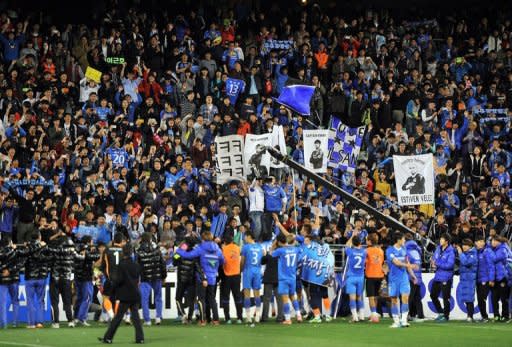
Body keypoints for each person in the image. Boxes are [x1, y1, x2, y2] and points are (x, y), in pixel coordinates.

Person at [176, 231, 224, 325]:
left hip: (202, 277)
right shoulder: (217, 249)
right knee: (212, 299)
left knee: (201, 299)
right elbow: (223, 261)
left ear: (203, 239)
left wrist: (179, 250)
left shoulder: (201, 248)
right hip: (213, 277)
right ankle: (216, 320)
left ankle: (202, 320)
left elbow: (187, 255)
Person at [99, 244, 144, 344]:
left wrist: (112, 288)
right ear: (131, 252)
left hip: (125, 295)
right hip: (135, 294)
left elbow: (119, 279)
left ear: (123, 252)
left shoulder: (121, 264)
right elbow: (138, 278)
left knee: (117, 318)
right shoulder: (136, 265)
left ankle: (108, 338)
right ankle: (140, 338)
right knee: (136, 317)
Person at [386, 232, 417, 328]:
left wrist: (413, 275)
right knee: (394, 300)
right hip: (393, 278)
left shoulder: (404, 249)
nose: (404, 241)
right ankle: (396, 321)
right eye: (403, 239)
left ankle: (404, 320)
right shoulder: (389, 250)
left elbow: (406, 262)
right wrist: (409, 265)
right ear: (398, 240)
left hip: (404, 278)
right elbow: (396, 263)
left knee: (405, 298)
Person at [271, 233, 302, 325]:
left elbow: (271, 253)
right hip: (292, 277)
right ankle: (298, 315)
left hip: (283, 278)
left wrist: (274, 244)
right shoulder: (296, 249)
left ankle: (288, 319)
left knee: (285, 299)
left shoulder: (280, 250)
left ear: (280, 242)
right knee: (293, 297)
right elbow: (301, 252)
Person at [137, 232, 167, 326]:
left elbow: (137, 266)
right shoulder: (157, 249)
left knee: (144, 299)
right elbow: (162, 263)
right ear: (150, 239)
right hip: (157, 276)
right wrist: (164, 276)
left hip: (145, 278)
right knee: (158, 297)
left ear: (142, 239)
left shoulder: (138, 250)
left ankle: (147, 320)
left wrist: (137, 278)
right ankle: (158, 317)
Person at [48, 233, 77, 328]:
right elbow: (79, 258)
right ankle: (70, 321)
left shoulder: (54, 251)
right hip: (66, 279)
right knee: (67, 302)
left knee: (55, 302)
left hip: (55, 279)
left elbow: (48, 259)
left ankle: (56, 323)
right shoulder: (71, 252)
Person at [173, 235, 204, 324]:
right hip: (192, 278)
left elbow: (174, 262)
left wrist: (176, 255)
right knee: (192, 300)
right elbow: (198, 265)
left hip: (181, 278)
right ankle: (189, 318)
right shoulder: (197, 252)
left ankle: (183, 314)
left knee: (178, 298)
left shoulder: (181, 250)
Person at [0, 235, 28, 328]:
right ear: (10, 243)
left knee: (2, 302)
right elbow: (20, 263)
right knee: (15, 301)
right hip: (14, 280)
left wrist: (4, 270)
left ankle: (3, 324)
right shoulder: (15, 252)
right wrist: (10, 271)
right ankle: (15, 323)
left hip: (3, 280)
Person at [73, 235, 100, 326]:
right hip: (86, 278)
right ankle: (82, 318)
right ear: (89, 242)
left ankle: (76, 317)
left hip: (77, 277)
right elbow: (97, 256)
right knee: (87, 298)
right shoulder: (88, 249)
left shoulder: (76, 248)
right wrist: (92, 251)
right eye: (91, 241)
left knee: (80, 297)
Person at [100, 233, 127, 321]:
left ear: (113, 240)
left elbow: (102, 265)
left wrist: (105, 274)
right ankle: (118, 316)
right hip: (121, 280)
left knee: (105, 297)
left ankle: (111, 314)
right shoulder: (124, 250)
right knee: (118, 298)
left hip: (110, 278)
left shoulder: (107, 250)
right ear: (121, 241)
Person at [430, 233, 456, 322]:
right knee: (433, 295)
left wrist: (437, 263)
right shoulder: (438, 249)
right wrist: (433, 263)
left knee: (446, 297)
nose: (440, 240)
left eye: (442, 239)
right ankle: (441, 312)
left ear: (447, 241)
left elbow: (450, 265)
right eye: (440, 239)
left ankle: (446, 315)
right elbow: (434, 259)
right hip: (437, 276)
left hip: (446, 277)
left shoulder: (451, 251)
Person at [241, 230, 265, 323]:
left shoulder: (245, 247)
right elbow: (263, 257)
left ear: (249, 236)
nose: (244, 238)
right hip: (257, 271)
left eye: (245, 236)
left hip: (248, 270)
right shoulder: (260, 247)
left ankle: (248, 317)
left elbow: (242, 260)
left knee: (247, 293)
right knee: (257, 293)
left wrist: (241, 270)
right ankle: (257, 316)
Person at [220, 234, 243, 324]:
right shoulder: (237, 248)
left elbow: (222, 262)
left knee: (226, 297)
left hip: (227, 276)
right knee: (237, 297)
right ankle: (240, 318)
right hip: (236, 275)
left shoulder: (223, 249)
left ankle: (227, 318)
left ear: (225, 242)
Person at [345, 233, 367, 322]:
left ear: (353, 243)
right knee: (359, 297)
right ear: (360, 243)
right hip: (360, 277)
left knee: (352, 297)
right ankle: (361, 316)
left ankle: (355, 317)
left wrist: (351, 236)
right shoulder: (364, 252)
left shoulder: (350, 251)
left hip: (351, 277)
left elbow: (346, 245)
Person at [457, 239, 478, 322]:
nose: (464, 247)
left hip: (470, 279)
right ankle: (469, 315)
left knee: (469, 298)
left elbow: (466, 262)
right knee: (466, 298)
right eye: (463, 245)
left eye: (466, 245)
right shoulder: (465, 254)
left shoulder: (473, 254)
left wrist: (460, 253)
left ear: (470, 246)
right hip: (464, 278)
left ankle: (470, 316)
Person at [475, 235, 495, 322]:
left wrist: (491, 279)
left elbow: (491, 266)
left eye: (479, 242)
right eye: (476, 242)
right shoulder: (477, 252)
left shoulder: (487, 252)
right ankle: (484, 316)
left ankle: (486, 317)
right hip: (479, 280)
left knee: (482, 298)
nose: (477, 244)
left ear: (483, 242)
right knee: (480, 300)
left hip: (485, 279)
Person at [365, 233, 384, 323]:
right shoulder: (381, 250)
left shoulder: (367, 250)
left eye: (367, 240)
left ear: (369, 241)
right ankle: (374, 313)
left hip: (370, 275)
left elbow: (364, 261)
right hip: (379, 275)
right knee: (376, 296)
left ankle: (374, 315)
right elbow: (382, 262)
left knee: (371, 297)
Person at [491, 235, 511, 321]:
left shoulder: (503, 249)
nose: (493, 242)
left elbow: (494, 259)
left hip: (503, 276)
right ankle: (496, 315)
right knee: (494, 298)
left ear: (499, 242)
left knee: (504, 298)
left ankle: (505, 315)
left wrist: (489, 252)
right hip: (495, 277)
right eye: (492, 241)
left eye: (495, 241)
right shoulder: (494, 249)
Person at [404, 234, 424, 322]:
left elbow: (406, 264)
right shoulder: (417, 250)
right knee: (417, 297)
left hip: (411, 276)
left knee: (409, 297)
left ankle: (406, 314)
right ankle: (420, 315)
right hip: (418, 275)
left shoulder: (406, 251)